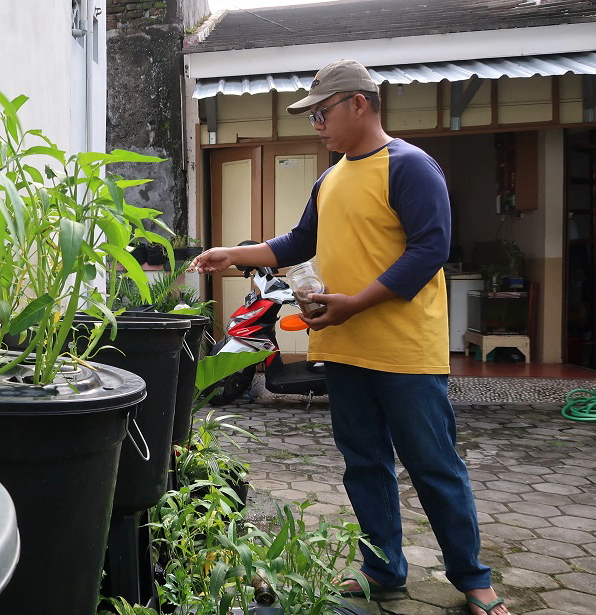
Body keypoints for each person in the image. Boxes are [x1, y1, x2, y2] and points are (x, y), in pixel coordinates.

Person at [188, 59, 509, 615]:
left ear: (360, 102)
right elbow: (296, 243)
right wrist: (232, 254)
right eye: (311, 113)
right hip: (342, 348)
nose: (316, 122)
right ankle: (383, 572)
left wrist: (355, 304)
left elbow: (430, 249)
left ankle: (473, 579)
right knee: (364, 463)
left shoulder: (410, 167)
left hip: (404, 352)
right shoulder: (331, 176)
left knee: (433, 464)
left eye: (322, 110)